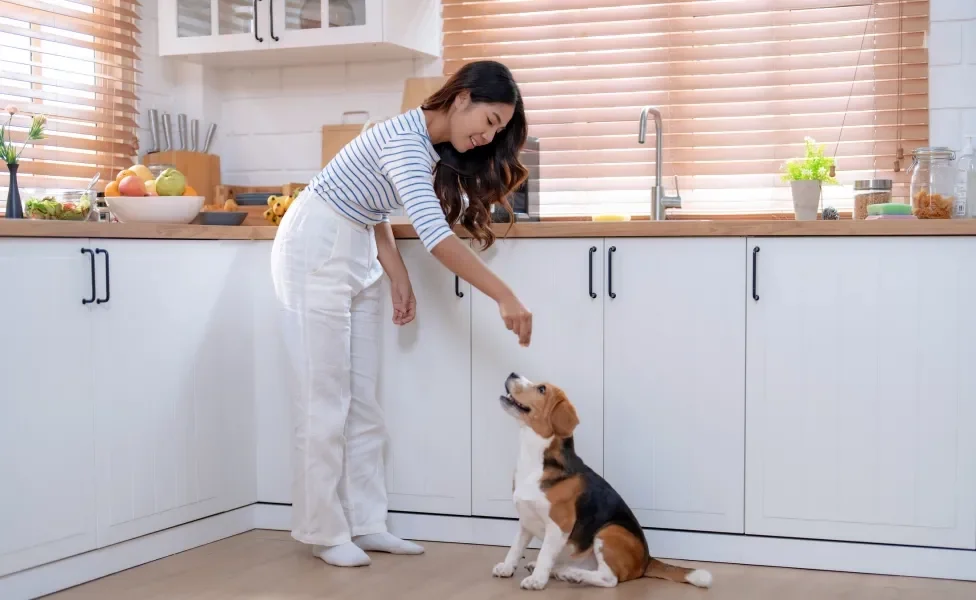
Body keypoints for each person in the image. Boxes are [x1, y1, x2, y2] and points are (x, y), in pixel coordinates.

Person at [269, 60, 533, 568]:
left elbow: (374, 209)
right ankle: (323, 530)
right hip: (315, 244)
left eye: (499, 128)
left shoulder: (424, 145)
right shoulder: (407, 143)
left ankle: (366, 523)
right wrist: (505, 295)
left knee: (363, 401)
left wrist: (396, 274)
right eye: (491, 120)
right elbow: (434, 236)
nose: (489, 135)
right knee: (322, 401)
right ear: (461, 99)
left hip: (354, 245)